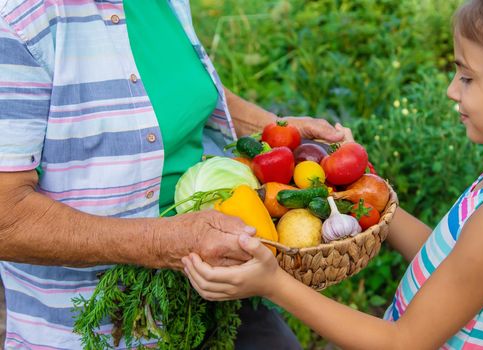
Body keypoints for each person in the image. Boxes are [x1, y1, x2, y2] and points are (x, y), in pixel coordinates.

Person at [183, 0, 483, 348]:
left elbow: (402, 342)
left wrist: (274, 284)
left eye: (468, 77)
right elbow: (451, 258)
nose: (452, 90)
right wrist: (363, 191)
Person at [0, 0, 351, 348]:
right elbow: (6, 219)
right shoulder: (16, 21)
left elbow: (188, 88)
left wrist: (276, 133)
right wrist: (163, 242)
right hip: (102, 320)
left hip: (211, 279)